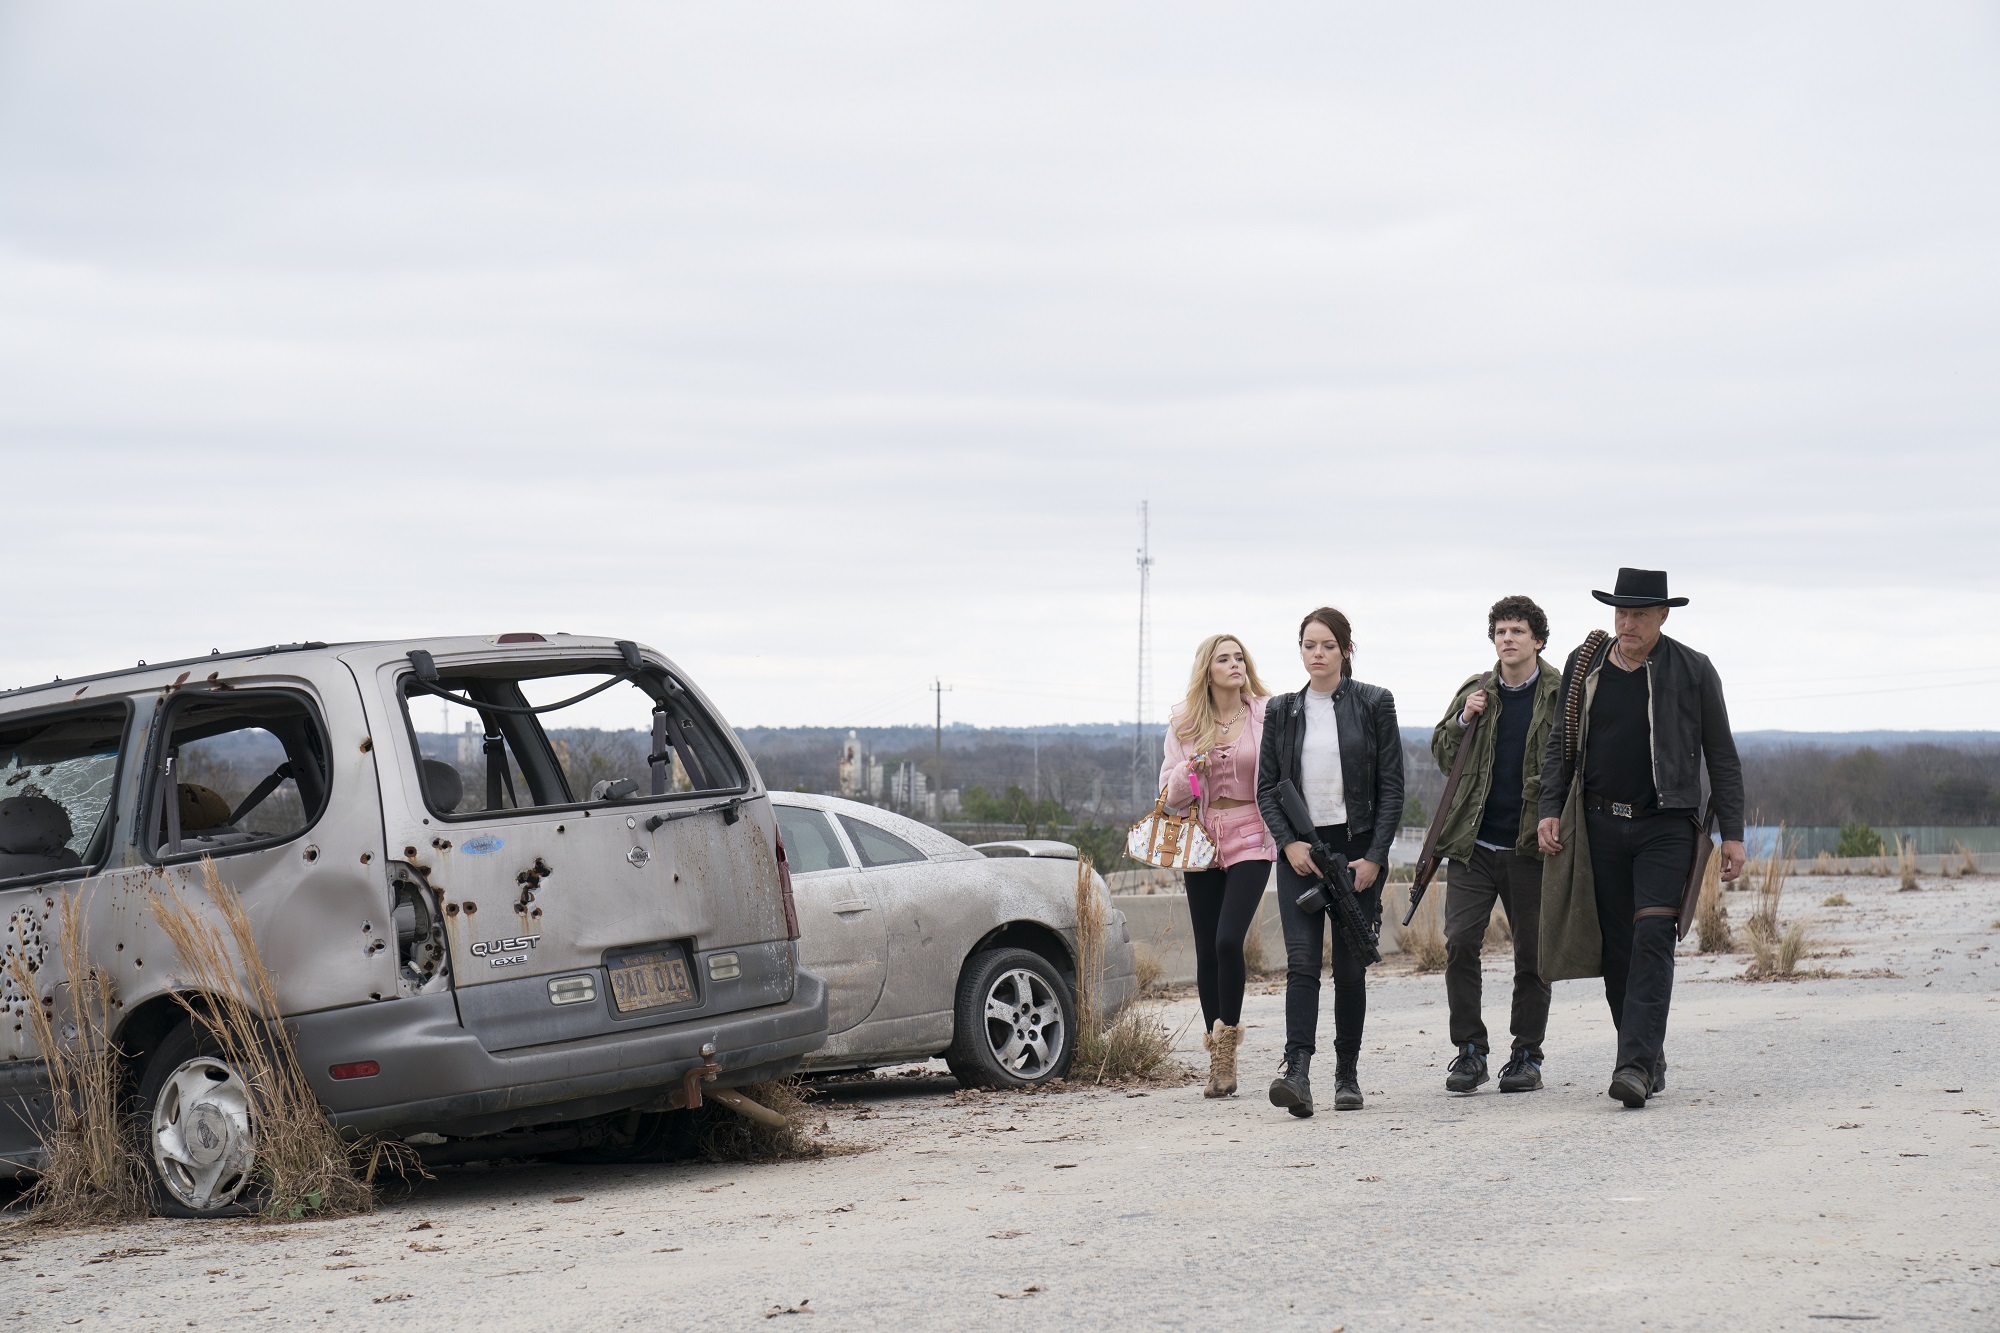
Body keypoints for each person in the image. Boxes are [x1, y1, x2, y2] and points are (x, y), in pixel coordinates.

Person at [1537, 568, 1746, 1108]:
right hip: (1599, 823)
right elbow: (1560, 745)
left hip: (1666, 825)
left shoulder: (1693, 670)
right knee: (1618, 950)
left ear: (1663, 616)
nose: (1626, 624)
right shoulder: (1585, 666)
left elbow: (1722, 756)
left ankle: (1632, 1066)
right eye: (1621, 613)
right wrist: (1549, 809)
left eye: (1639, 615)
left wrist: (1733, 834)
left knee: (1653, 936)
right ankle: (1647, 1055)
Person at [1257, 607, 1404, 1116]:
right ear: (1299, 649)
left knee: (1349, 966)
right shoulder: (1282, 710)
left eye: (1328, 645)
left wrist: (1375, 858)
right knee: (1301, 963)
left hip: (1355, 849)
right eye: (1309, 645)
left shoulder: (1374, 702)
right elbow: (1267, 789)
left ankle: (1347, 1074)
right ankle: (1296, 1073)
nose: (1317, 654)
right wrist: (1288, 844)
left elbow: (1391, 789)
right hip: (1301, 850)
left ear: (1345, 650)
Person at [1429, 595, 1560, 1094]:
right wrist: (1464, 719)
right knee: (1460, 943)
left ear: (1538, 640)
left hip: (1532, 848)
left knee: (1533, 954)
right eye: (1501, 631)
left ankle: (1527, 1055)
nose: (1508, 639)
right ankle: (1470, 1052)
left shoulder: (1559, 694)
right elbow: (1444, 754)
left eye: (1518, 631)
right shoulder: (1476, 690)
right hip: (1474, 845)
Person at [1159, 634, 1275, 1098]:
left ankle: (1227, 1045)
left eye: (1239, 658)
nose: (1234, 665)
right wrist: (1191, 771)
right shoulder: (1185, 724)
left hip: (1252, 834)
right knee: (1207, 949)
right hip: (1202, 840)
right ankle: (1220, 1060)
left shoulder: (1265, 714)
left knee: (1229, 940)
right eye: (1224, 659)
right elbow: (1169, 796)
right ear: (1207, 670)